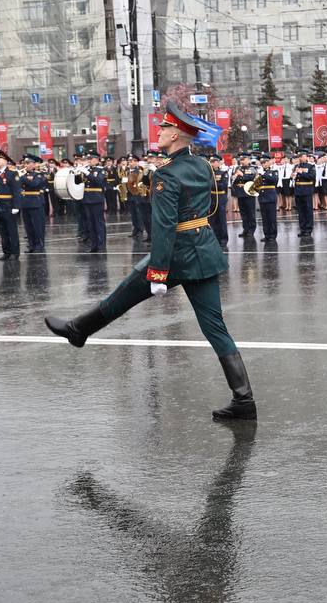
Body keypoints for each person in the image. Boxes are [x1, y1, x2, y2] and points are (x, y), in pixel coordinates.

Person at [45, 103, 257, 420]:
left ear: (175, 134)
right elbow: (200, 205)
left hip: (174, 255)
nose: (158, 132)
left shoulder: (166, 174)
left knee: (121, 295)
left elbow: (163, 227)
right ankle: (244, 400)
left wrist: (158, 271)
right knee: (215, 327)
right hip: (202, 250)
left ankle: (78, 330)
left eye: (162, 129)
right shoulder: (200, 165)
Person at [0, 150, 21, 261]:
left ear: (5, 161)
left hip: (8, 206)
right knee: (2, 231)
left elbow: (17, 191)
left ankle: (14, 253)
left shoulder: (12, 173)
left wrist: (16, 206)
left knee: (11, 230)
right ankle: (6, 252)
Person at [17, 154, 48, 252]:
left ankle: (39, 245)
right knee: (28, 226)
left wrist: (22, 178)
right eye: (25, 163)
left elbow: (34, 184)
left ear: (34, 164)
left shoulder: (39, 175)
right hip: (25, 202)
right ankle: (31, 245)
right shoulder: (23, 175)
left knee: (37, 225)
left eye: (28, 163)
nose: (26, 165)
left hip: (35, 202)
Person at [82, 154, 108, 252]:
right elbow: (78, 182)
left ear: (97, 160)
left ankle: (101, 244)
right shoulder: (87, 170)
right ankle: (94, 245)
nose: (89, 160)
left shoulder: (101, 170)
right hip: (87, 198)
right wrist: (77, 173)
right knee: (91, 223)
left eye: (90, 159)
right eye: (88, 159)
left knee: (98, 222)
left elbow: (99, 181)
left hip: (97, 198)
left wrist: (87, 173)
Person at [253, 159, 279, 243]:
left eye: (265, 162)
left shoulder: (273, 171)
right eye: (262, 163)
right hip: (262, 197)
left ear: (269, 163)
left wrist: (263, 174)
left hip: (270, 196)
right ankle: (266, 234)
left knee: (271, 217)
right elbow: (256, 186)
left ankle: (272, 235)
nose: (263, 164)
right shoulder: (260, 173)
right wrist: (257, 178)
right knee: (264, 218)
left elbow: (274, 180)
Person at [292, 151, 316, 238]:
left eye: (302, 156)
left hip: (306, 190)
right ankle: (302, 229)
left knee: (308, 211)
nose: (300, 158)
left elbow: (312, 176)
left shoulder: (310, 166)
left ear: (306, 157)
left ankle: (308, 229)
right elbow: (294, 177)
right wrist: (293, 175)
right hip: (298, 191)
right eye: (299, 156)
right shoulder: (296, 166)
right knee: (301, 212)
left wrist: (301, 173)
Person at [209, 156, 229, 249]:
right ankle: (215, 239)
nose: (212, 163)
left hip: (220, 197)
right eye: (211, 162)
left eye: (214, 161)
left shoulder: (223, 173)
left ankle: (223, 240)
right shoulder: (208, 173)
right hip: (211, 198)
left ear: (218, 162)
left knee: (221, 220)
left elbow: (223, 185)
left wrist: (213, 184)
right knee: (212, 220)